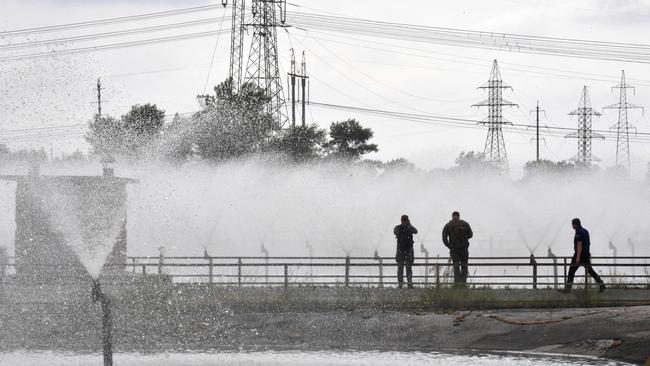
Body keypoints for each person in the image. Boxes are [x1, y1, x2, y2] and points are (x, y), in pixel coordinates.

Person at [562, 218, 606, 293]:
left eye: (573, 224)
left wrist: (578, 256)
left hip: (580, 254)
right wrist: (588, 253)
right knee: (590, 271)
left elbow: (579, 244)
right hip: (586, 254)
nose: (572, 226)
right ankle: (602, 284)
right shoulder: (585, 231)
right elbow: (588, 243)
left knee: (571, 270)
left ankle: (567, 289)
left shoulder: (579, 232)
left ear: (576, 224)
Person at [442, 211, 473, 286]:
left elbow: (444, 238)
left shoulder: (448, 225)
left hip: (454, 250)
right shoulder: (465, 224)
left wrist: (450, 246)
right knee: (464, 266)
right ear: (459, 216)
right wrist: (464, 240)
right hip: (464, 249)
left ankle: (457, 284)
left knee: (456, 267)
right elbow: (471, 235)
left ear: (452, 216)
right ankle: (463, 284)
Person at [393, 215, 418, 288]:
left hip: (401, 251)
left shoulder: (398, 227)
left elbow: (395, 232)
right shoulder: (408, 227)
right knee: (408, 268)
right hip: (408, 251)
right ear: (408, 220)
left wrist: (406, 226)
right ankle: (409, 283)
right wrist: (408, 225)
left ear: (400, 220)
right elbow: (415, 231)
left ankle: (401, 284)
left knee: (400, 268)